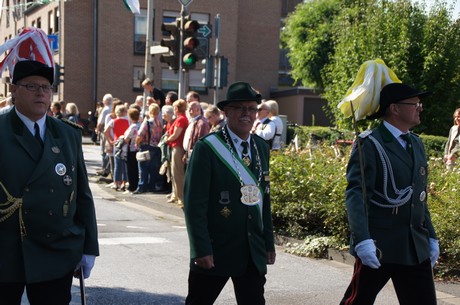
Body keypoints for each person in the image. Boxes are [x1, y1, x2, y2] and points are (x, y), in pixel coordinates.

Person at [0, 60, 99, 304]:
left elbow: (82, 193)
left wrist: (89, 247)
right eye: (32, 86)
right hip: (7, 249)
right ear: (13, 90)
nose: (41, 93)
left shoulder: (68, 133)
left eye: (46, 87)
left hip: (55, 249)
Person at [340, 83, 439, 305]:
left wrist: (431, 235)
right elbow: (357, 195)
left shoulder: (415, 143)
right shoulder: (370, 143)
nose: (420, 108)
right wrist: (362, 239)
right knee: (358, 301)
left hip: (414, 245)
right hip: (379, 244)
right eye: (414, 104)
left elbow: (419, 198)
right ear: (394, 108)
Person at [183, 81, 276, 305]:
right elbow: (195, 204)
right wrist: (200, 248)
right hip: (216, 249)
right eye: (239, 108)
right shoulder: (207, 147)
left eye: (251, 108)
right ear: (226, 112)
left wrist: (268, 243)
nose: (247, 114)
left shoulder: (261, 147)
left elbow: (264, 198)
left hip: (251, 250)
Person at [164, 99, 188, 206]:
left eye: (174, 108)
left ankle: (181, 197)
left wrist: (167, 139)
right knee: (174, 172)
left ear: (177, 109)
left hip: (177, 147)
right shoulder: (180, 119)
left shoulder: (181, 120)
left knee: (178, 172)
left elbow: (176, 134)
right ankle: (176, 194)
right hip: (175, 147)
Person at [134, 103, 163, 194]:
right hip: (156, 148)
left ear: (150, 111)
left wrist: (137, 143)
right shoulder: (159, 123)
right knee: (153, 169)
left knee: (143, 168)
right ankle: (152, 186)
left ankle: (142, 187)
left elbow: (140, 134)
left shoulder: (147, 122)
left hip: (146, 146)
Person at [104, 104, 129, 191]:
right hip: (125, 143)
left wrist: (110, 140)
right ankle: (124, 181)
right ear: (124, 112)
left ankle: (116, 182)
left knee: (117, 164)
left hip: (117, 143)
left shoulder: (113, 121)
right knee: (125, 164)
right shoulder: (128, 121)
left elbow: (106, 131)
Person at [123, 107, 141, 193]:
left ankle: (132, 186)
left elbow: (126, 138)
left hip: (131, 149)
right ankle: (136, 184)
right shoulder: (140, 125)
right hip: (138, 148)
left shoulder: (133, 126)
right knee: (137, 169)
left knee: (131, 169)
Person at [96, 93, 113, 177]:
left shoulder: (105, 109)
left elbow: (100, 122)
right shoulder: (113, 108)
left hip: (104, 131)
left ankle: (104, 168)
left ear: (105, 101)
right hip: (112, 132)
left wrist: (97, 129)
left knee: (104, 150)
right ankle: (108, 168)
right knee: (109, 150)